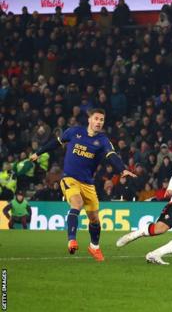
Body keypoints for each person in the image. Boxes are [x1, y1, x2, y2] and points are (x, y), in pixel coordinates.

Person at [29, 108, 137, 261]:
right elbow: (56, 142)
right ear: (89, 119)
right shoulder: (74, 132)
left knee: (94, 219)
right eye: (96, 118)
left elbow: (112, 155)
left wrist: (122, 170)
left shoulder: (103, 140)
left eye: (102, 120)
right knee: (76, 204)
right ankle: (72, 240)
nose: (99, 122)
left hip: (88, 184)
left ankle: (94, 247)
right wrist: (39, 152)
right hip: (69, 179)